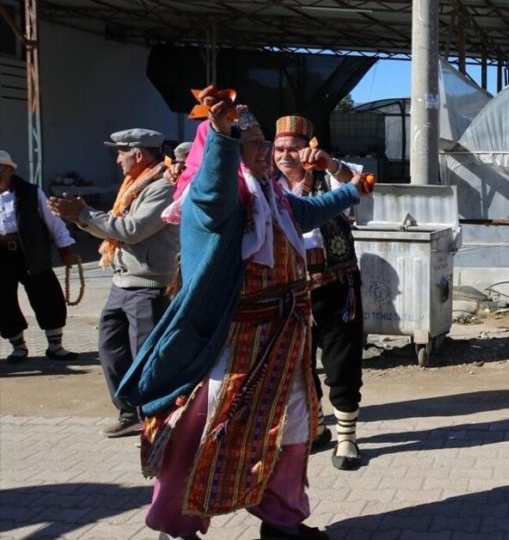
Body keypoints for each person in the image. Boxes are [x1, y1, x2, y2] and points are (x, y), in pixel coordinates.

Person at [116, 90, 372, 540]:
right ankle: (177, 526)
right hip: (231, 344)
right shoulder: (215, 202)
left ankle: (282, 522)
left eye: (262, 142)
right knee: (203, 430)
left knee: (291, 433)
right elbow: (213, 188)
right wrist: (219, 134)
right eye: (252, 142)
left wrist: (353, 190)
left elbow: (309, 210)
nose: (264, 151)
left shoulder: (271, 195)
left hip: (284, 338)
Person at [50, 129, 178, 439]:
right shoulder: (133, 185)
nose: (117, 158)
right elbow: (116, 222)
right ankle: (129, 412)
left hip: (148, 284)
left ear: (138, 154)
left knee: (147, 357)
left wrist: (83, 214)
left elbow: (132, 229)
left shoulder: (163, 186)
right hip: (123, 282)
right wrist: (83, 217)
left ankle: (156, 419)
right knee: (111, 349)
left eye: (120, 152)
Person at [273, 115, 366, 470]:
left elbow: (360, 182)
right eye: (279, 149)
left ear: (309, 148)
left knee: (342, 362)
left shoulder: (328, 176)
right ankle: (317, 427)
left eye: (293, 148)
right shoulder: (269, 186)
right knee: (298, 363)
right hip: (291, 288)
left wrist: (330, 163)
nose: (285, 156)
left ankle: (347, 437)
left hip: (337, 285)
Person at [0, 150, 80, 363]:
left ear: (9, 170)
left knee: (47, 296)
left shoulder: (30, 192)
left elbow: (54, 222)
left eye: (0, 169)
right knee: (3, 301)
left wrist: (66, 249)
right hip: (1, 257)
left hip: (31, 252)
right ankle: (18, 346)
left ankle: (55, 345)